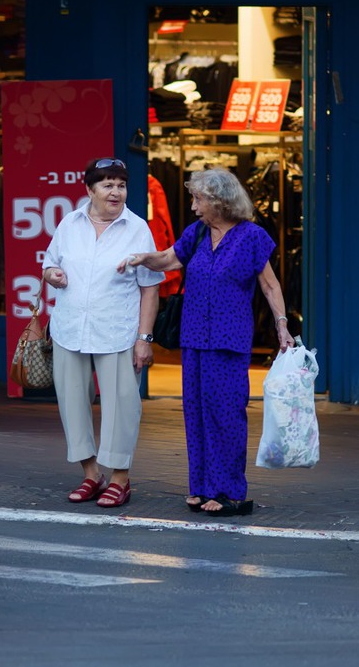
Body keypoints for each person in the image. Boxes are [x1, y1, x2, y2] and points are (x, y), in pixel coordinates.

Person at [118, 166, 294, 517]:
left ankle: (231, 492)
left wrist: (282, 326)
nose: (195, 206)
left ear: (219, 201)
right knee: (196, 413)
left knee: (226, 415)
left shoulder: (252, 236)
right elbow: (169, 258)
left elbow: (270, 286)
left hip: (229, 340)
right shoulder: (196, 232)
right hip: (194, 337)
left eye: (199, 199)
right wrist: (143, 258)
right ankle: (200, 486)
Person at [42, 158, 164, 508]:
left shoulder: (137, 228)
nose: (116, 192)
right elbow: (50, 263)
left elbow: (150, 288)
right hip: (69, 329)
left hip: (117, 332)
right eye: (107, 184)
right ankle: (91, 473)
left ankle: (120, 479)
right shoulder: (69, 224)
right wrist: (52, 273)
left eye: (121, 185)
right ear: (89, 190)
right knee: (72, 403)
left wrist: (144, 339)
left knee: (123, 406)